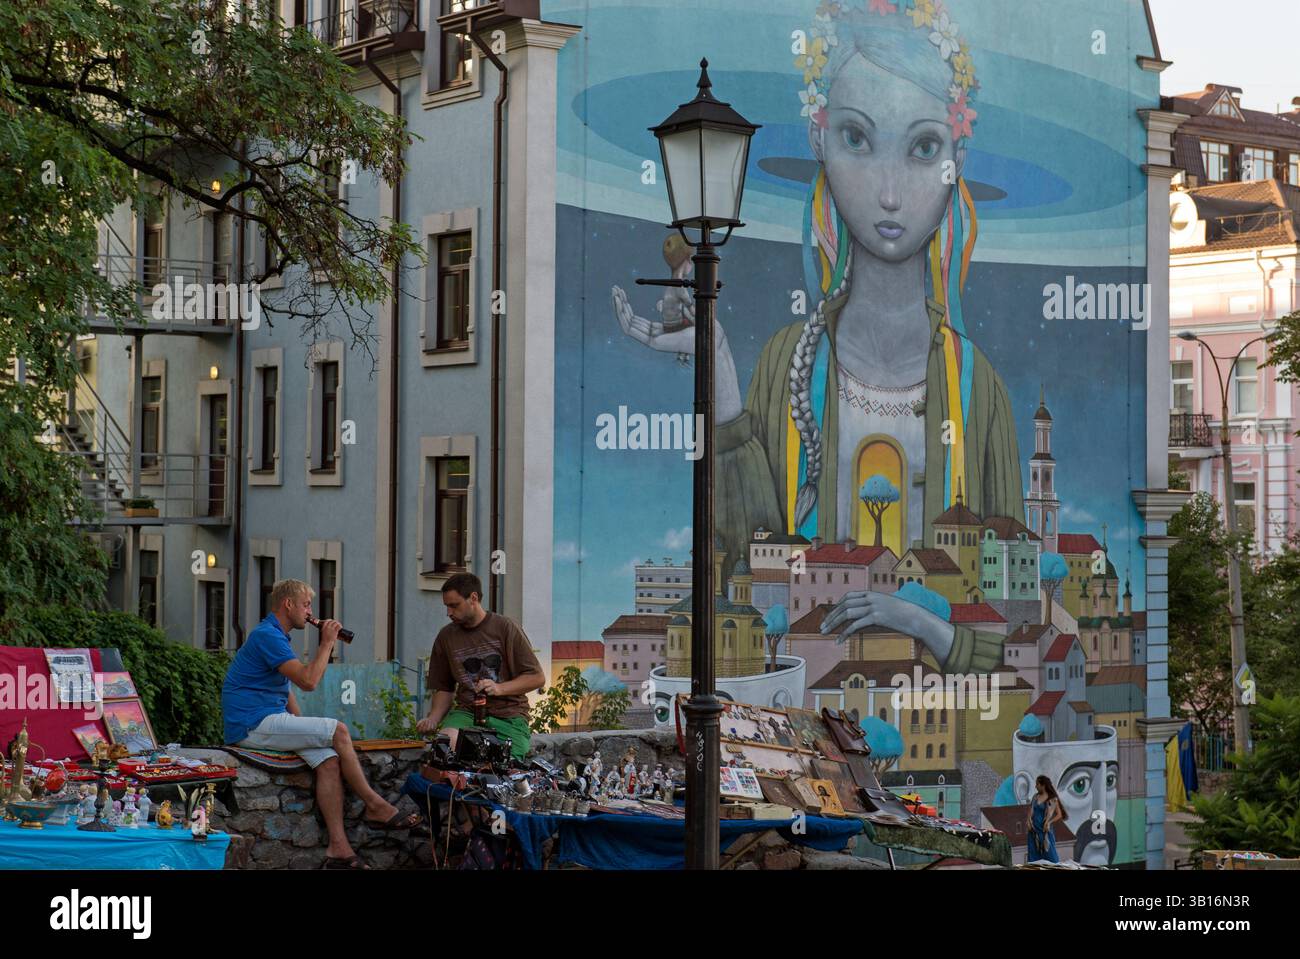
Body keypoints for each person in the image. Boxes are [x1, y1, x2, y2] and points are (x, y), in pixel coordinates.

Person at [613, 2, 1019, 677]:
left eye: (922, 147)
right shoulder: (785, 365)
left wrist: (915, 620)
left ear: (957, 159)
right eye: (858, 138)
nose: (890, 193)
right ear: (819, 140)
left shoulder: (980, 391)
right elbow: (748, 567)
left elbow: (1014, 635)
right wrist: (723, 380)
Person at [222, 578, 420, 870]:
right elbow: (308, 681)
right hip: (251, 723)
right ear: (288, 604)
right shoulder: (267, 635)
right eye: (306, 604)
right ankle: (375, 804)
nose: (309, 611)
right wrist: (327, 642)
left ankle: (338, 847)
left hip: (267, 718)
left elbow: (284, 689)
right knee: (338, 730)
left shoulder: (276, 635)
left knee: (328, 761)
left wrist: (303, 729)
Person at [416, 573, 545, 760]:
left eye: (454, 605)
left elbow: (537, 677)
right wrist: (433, 719)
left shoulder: (505, 628)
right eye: (446, 606)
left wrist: (499, 688)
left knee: (506, 765)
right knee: (444, 746)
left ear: (473, 598)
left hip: (508, 715)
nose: (449, 613)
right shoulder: (445, 637)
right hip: (467, 713)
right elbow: (444, 687)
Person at [1026, 774, 1063, 864]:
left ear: (1043, 785)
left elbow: (1059, 814)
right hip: (1034, 832)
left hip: (1045, 831)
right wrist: (1028, 820)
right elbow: (1031, 811)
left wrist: (1049, 822)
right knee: (1033, 857)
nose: (1035, 786)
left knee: (1051, 856)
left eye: (1037, 784)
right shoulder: (1035, 797)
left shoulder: (1052, 799)